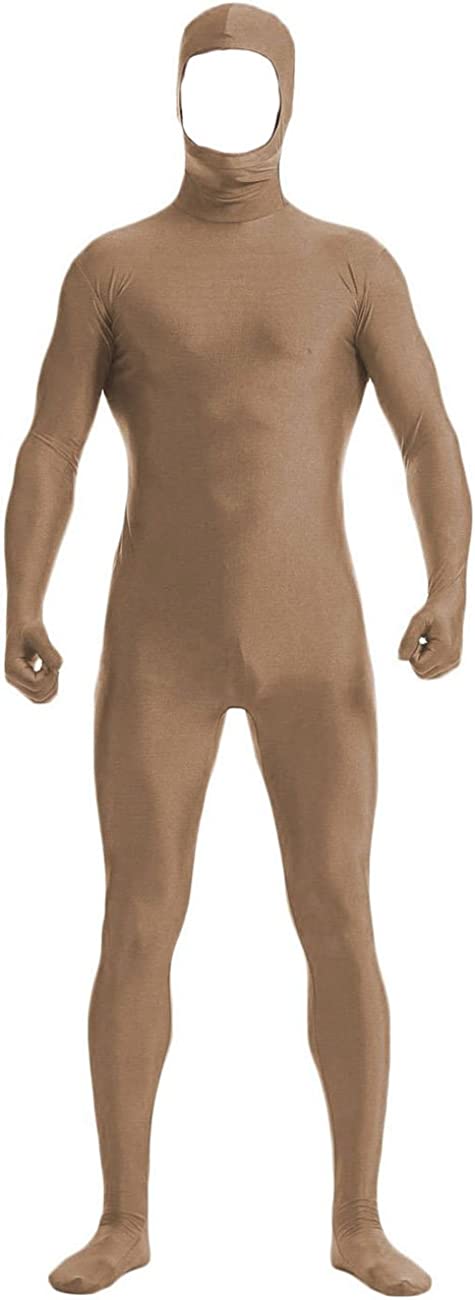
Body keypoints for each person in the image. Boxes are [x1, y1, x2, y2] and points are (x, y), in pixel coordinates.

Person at [4, 4, 471, 1295]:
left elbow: (427, 432)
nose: (226, 107)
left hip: (316, 644)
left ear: (289, 98)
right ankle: (124, 1218)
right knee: (138, 920)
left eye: (248, 82)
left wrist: (450, 581)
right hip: (157, 644)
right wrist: (22, 595)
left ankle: (359, 1219)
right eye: (202, 82)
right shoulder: (111, 267)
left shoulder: (352, 264)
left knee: (339, 912)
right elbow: (52, 443)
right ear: (171, 98)